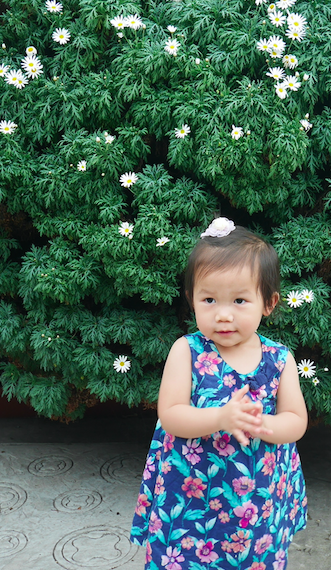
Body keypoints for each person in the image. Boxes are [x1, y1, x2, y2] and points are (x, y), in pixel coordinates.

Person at [130, 217, 308, 570]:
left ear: (269, 303)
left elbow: (296, 421)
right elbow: (171, 415)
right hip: (190, 495)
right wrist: (221, 417)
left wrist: (260, 425)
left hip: (258, 499)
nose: (223, 315)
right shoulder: (187, 351)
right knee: (185, 559)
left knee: (253, 558)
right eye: (209, 299)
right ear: (192, 300)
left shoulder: (279, 359)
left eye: (240, 300)